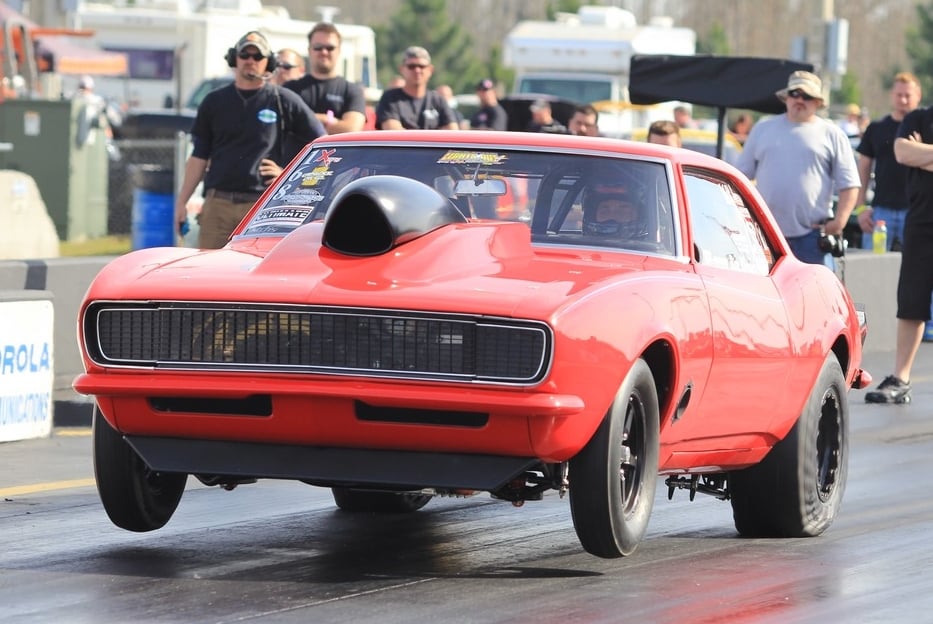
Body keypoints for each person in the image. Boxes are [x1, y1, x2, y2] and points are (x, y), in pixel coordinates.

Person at [174, 31, 325, 249]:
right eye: (245, 55)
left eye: (257, 57)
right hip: (218, 205)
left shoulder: (284, 101)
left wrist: (288, 176)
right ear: (234, 58)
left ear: (269, 63)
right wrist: (182, 202)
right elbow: (199, 156)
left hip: (263, 206)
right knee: (210, 273)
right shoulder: (214, 102)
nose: (250, 61)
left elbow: (324, 148)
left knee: (257, 273)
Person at [736, 70, 860, 265]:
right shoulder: (763, 128)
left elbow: (850, 184)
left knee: (810, 295)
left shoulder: (832, 134)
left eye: (807, 96)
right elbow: (739, 177)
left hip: (812, 236)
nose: (800, 100)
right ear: (786, 97)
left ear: (818, 102)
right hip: (764, 233)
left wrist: (839, 222)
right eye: (795, 94)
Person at [863, 84, 933, 405]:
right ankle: (900, 379)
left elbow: (914, 154)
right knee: (911, 301)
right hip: (921, 222)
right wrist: (914, 154)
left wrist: (925, 154)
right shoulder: (917, 117)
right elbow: (902, 153)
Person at [855, 72, 922, 252]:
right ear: (892, 95)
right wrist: (861, 209)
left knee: (918, 271)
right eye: (899, 95)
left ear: (918, 96)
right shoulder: (877, 128)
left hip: (916, 211)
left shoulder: (926, 127)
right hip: (881, 211)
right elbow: (863, 169)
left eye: (908, 95)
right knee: (872, 269)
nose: (903, 100)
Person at [283, 23, 366, 134]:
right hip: (298, 152)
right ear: (309, 50)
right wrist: (328, 120)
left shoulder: (351, 91)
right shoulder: (290, 89)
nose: (324, 52)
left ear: (339, 51)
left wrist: (303, 120)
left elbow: (351, 129)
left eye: (330, 48)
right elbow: (283, 124)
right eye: (318, 47)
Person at [376, 46, 459, 130]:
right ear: (402, 69)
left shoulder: (438, 100)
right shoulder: (390, 99)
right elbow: (394, 133)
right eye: (411, 66)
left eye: (422, 66)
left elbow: (452, 132)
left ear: (430, 70)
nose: (417, 70)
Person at [582, 185, 647, 241]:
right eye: (605, 212)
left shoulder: (650, 253)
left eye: (622, 212)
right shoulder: (579, 249)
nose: (612, 216)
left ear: (639, 216)